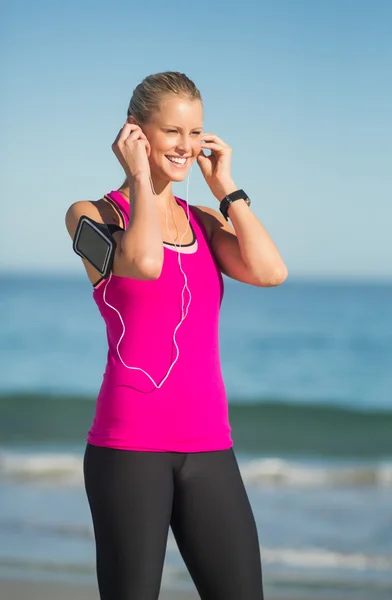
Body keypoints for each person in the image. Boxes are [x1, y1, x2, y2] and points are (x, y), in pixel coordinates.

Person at [65, 71, 288, 600]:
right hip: (128, 447)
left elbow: (270, 271)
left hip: (210, 446)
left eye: (196, 133)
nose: (187, 147)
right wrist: (141, 180)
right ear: (135, 133)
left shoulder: (206, 222)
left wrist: (226, 189)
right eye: (172, 132)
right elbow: (142, 262)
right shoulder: (88, 216)